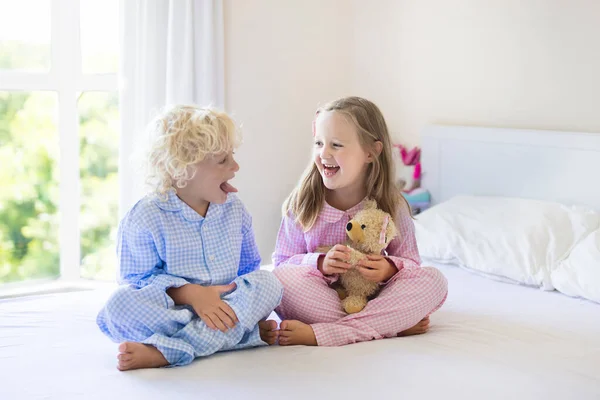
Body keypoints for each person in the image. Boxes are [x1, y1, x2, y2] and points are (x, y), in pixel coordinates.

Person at [97, 105, 282, 370]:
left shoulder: (235, 210)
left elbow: (249, 270)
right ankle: (240, 337)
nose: (236, 166)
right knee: (117, 307)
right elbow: (136, 280)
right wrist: (191, 293)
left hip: (226, 307)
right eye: (222, 160)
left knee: (269, 283)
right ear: (181, 169)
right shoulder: (145, 217)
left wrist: (231, 301)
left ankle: (167, 351)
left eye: (233, 156)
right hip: (173, 312)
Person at [272, 96, 448, 346]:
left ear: (370, 152)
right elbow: (282, 263)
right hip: (322, 299)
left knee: (434, 280)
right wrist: (319, 263)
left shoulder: (392, 205)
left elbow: (411, 263)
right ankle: (388, 326)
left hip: (371, 297)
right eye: (319, 143)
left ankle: (331, 333)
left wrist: (388, 268)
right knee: (280, 281)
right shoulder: (303, 202)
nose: (324, 153)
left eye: (336, 145)